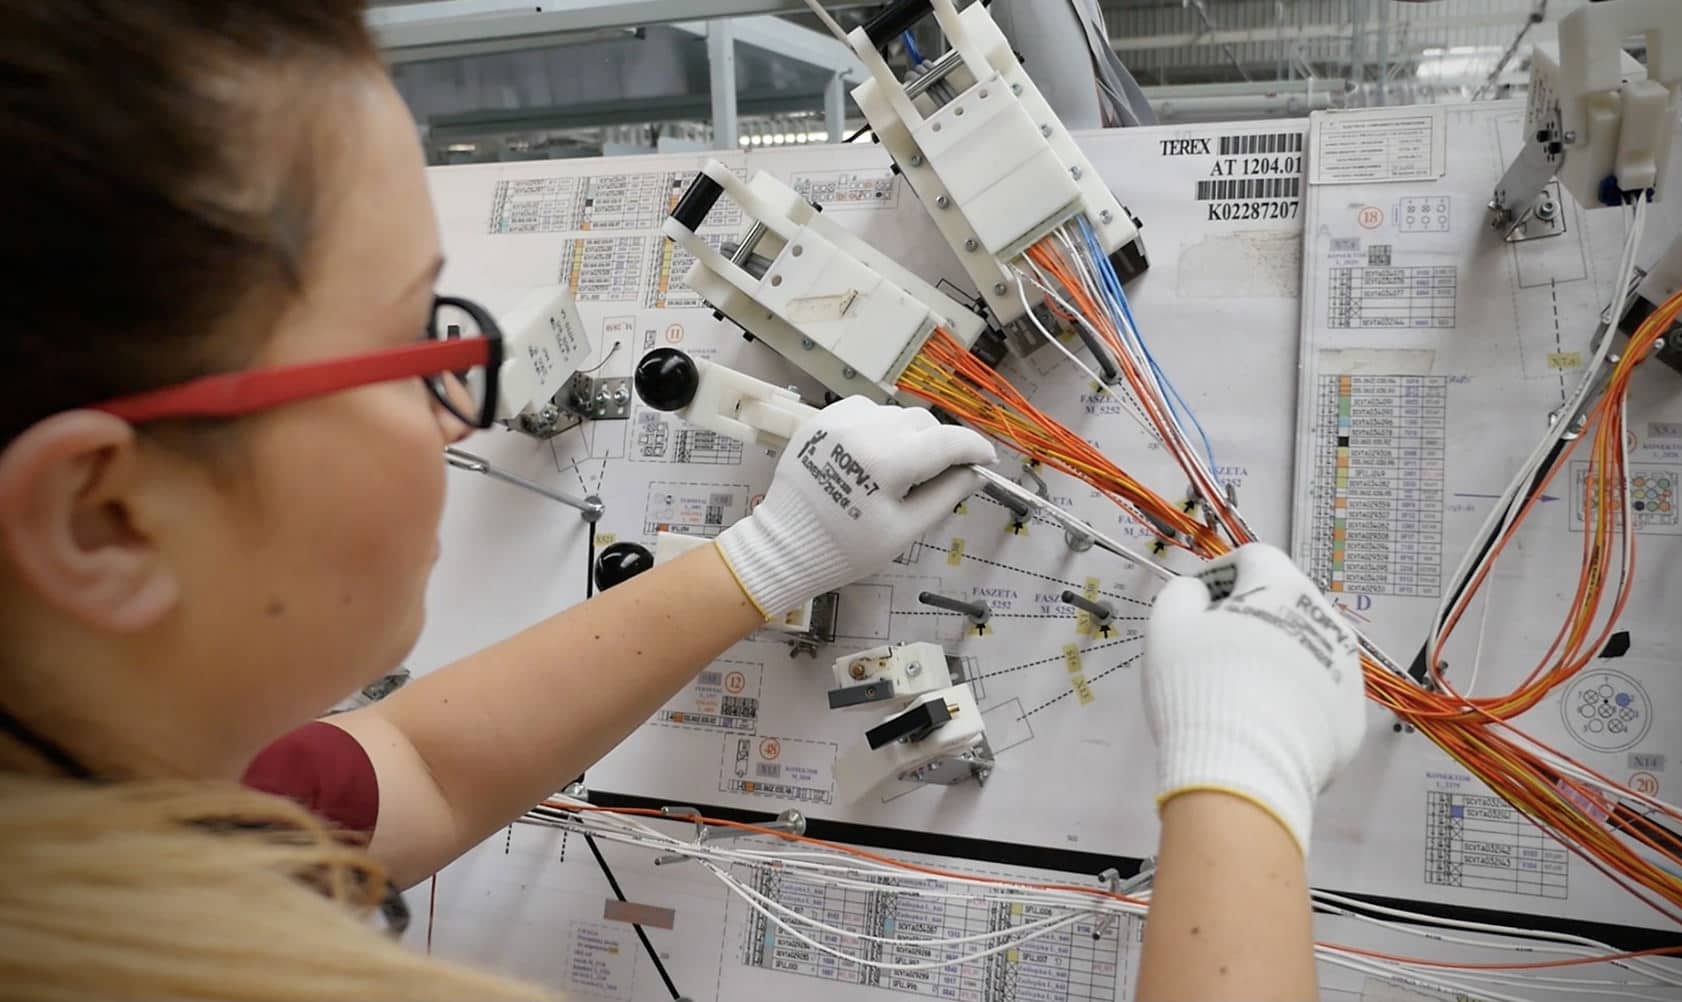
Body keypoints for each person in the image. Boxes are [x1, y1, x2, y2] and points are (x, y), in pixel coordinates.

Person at [0, 4, 1367, 1000]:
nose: (463, 399)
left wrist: (766, 555)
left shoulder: (125, 807)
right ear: (104, 518)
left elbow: (409, 768)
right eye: (421, 332)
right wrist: (1241, 785)